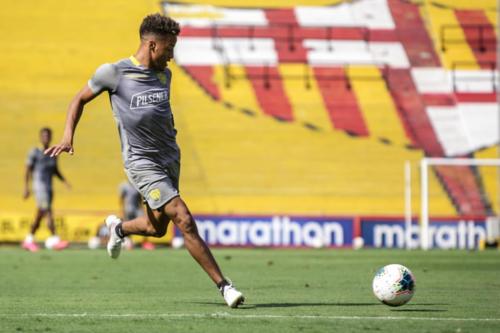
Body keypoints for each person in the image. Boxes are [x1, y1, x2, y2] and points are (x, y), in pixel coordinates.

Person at [45, 13, 244, 308]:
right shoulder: (114, 73)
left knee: (157, 229)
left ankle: (119, 229)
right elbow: (78, 99)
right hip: (141, 162)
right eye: (169, 48)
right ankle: (225, 286)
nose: (172, 56)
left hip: (170, 158)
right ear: (152, 45)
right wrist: (67, 136)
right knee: (183, 219)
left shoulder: (165, 75)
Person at [23, 127, 70, 251]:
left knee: (40, 213)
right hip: (39, 186)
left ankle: (29, 239)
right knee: (47, 211)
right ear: (40, 137)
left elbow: (55, 170)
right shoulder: (34, 152)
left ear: (50, 137)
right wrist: (26, 187)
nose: (46, 138)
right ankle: (55, 239)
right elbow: (27, 169)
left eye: (48, 136)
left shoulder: (53, 153)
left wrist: (64, 181)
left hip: (49, 187)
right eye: (43, 136)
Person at [119, 180, 155, 250]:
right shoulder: (124, 186)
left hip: (137, 209)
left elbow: (140, 199)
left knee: (145, 224)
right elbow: (122, 199)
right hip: (128, 209)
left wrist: (143, 209)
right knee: (127, 226)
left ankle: (145, 242)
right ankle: (129, 243)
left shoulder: (137, 185)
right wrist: (122, 210)